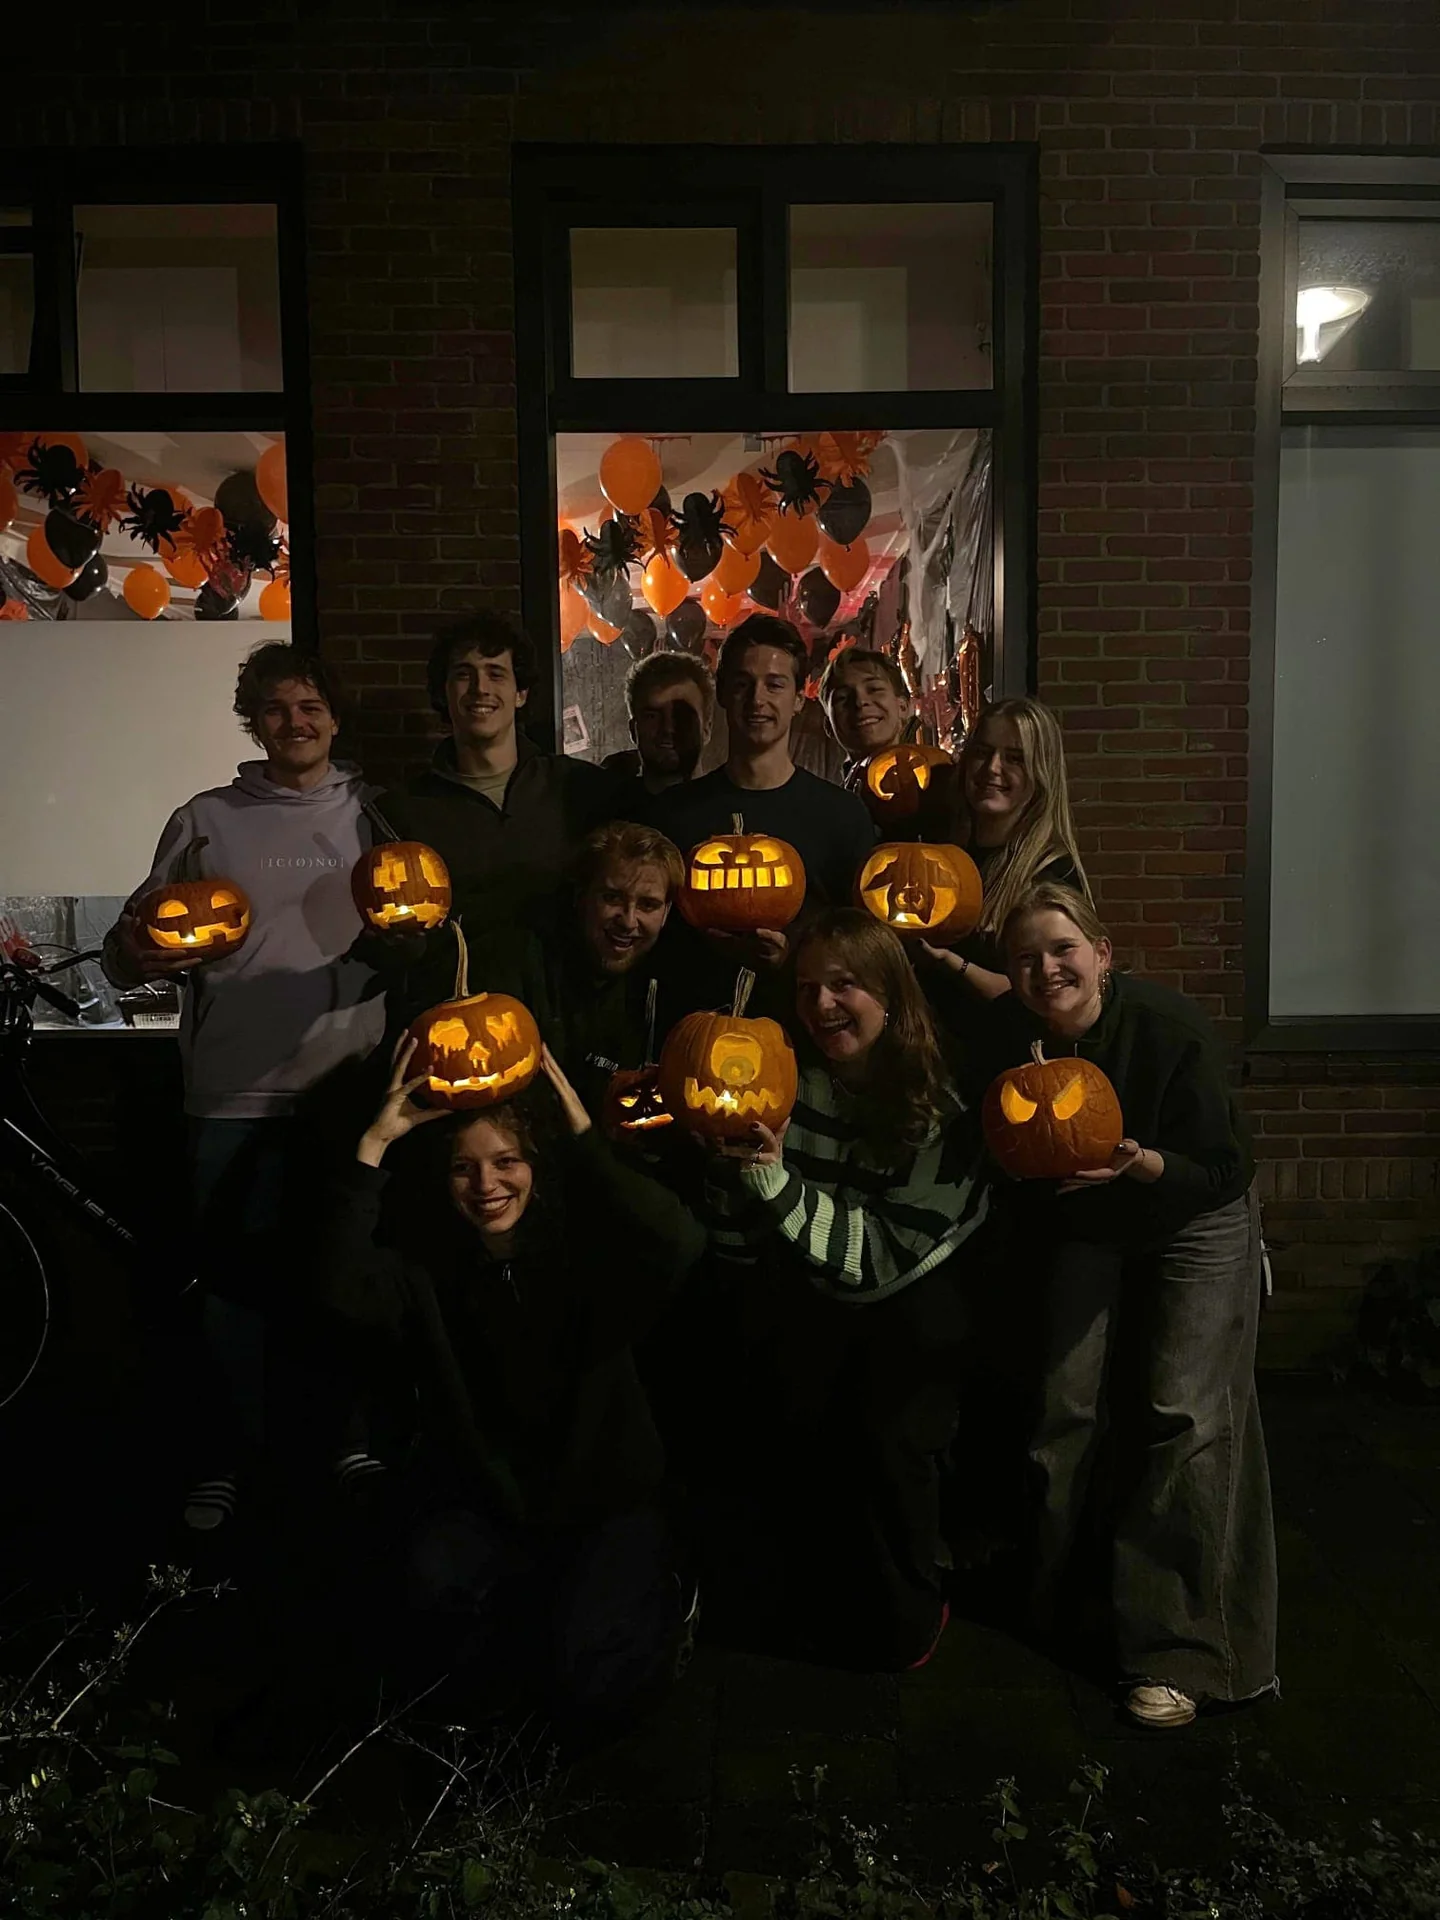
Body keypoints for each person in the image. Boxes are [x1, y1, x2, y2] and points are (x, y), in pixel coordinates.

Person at [321, 1040, 705, 1751]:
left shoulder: (587, 1257)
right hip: (491, 1501)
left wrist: (585, 1139)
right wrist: (373, 1143)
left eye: (506, 1162)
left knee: (595, 1690)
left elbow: (675, 1240)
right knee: (429, 1620)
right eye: (463, 1169)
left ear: (536, 1168)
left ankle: (664, 1602)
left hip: (603, 1500)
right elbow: (342, 1290)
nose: (485, 1184)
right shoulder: (428, 1268)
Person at [102, 643, 388, 1529]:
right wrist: (134, 954)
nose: (294, 722)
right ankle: (227, 1457)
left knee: (347, 1281)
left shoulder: (376, 816)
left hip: (347, 1092)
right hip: (230, 1088)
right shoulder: (205, 819)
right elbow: (127, 945)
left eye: (309, 706)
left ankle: (348, 1440)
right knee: (229, 1289)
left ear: (334, 717)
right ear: (252, 720)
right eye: (274, 708)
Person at [982, 882, 1277, 1729]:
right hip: (1089, 1213)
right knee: (1065, 1403)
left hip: (1195, 1207)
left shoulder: (1167, 1030)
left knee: (1185, 1411)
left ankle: (1184, 1651)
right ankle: (1070, 1607)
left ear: (1102, 953)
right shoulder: (1011, 1038)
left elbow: (1226, 1168)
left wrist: (1147, 1165)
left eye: (1063, 949)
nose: (1047, 968)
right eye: (1026, 957)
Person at [701, 909, 991, 1671]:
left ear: (890, 995)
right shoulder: (791, 1083)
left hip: (911, 1295)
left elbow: (874, 1258)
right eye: (806, 989)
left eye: (844, 986)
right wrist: (730, 1178)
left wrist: (768, 1179)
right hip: (820, 1281)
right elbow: (747, 1232)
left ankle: (911, 1610)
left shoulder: (940, 1114)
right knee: (785, 1410)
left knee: (891, 1436)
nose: (822, 1005)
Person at [646, 614, 876, 1012]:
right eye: (742, 684)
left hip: (802, 1039)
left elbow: (863, 949)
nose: (757, 701)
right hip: (692, 1034)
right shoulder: (672, 815)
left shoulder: (841, 815)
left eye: (774, 685)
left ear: (798, 698)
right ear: (721, 694)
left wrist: (793, 958)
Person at [377, 611, 614, 949]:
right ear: (443, 692)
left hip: (566, 997)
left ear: (521, 693)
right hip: (456, 996)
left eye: (496, 673)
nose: (480, 688)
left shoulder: (578, 789)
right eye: (463, 674)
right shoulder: (404, 813)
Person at [472, 821, 686, 1122]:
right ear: (580, 896)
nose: (628, 920)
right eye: (612, 898)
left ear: (666, 914)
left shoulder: (671, 982)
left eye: (647, 905)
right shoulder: (517, 962)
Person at [920, 697, 1088, 1006]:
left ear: (1040, 773)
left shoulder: (1050, 875)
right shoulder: (942, 851)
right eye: (982, 753)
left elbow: (1047, 991)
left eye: (1015, 758)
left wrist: (951, 962)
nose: (992, 768)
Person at [819, 647, 965, 842]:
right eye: (843, 698)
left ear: (903, 707)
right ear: (829, 725)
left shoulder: (942, 774)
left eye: (874, 689)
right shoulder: (824, 809)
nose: (860, 702)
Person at [601, 652, 715, 801]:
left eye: (681, 715)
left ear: (706, 728)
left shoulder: (732, 816)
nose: (668, 728)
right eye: (652, 716)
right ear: (633, 730)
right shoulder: (605, 812)